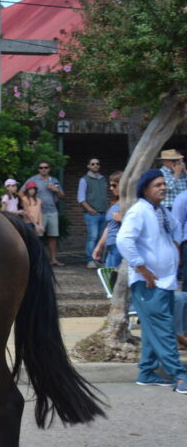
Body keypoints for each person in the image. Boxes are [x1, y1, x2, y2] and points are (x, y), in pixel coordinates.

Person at [115, 169, 187, 393]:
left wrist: (174, 247)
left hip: (165, 281)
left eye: (164, 184)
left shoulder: (161, 211)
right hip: (149, 283)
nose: (163, 187)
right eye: (158, 185)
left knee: (152, 329)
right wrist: (141, 268)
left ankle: (146, 372)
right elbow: (124, 240)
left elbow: (177, 228)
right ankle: (179, 375)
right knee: (163, 330)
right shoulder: (139, 211)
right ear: (145, 190)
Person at [23, 161, 64, 267]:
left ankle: (53, 259)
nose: (43, 169)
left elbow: (62, 196)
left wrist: (56, 190)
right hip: (38, 213)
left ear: (49, 169)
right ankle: (39, 260)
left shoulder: (54, 180)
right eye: (41, 168)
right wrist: (29, 204)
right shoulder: (33, 180)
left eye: (46, 167)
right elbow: (21, 192)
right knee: (38, 237)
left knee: (53, 236)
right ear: (38, 169)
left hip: (52, 211)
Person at [78, 158, 108, 268]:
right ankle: (90, 260)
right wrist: (90, 209)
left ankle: (98, 259)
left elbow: (105, 196)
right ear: (88, 166)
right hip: (91, 214)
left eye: (97, 164)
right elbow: (81, 198)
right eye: (93, 164)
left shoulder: (103, 179)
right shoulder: (84, 180)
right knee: (92, 237)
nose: (95, 165)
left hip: (103, 213)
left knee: (101, 238)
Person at [91, 171, 123, 268]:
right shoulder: (116, 202)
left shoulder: (130, 203)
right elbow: (109, 227)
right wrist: (99, 246)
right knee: (108, 276)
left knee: (115, 276)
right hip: (111, 247)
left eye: (114, 185)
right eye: (111, 185)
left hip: (120, 246)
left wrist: (123, 220)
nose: (111, 188)